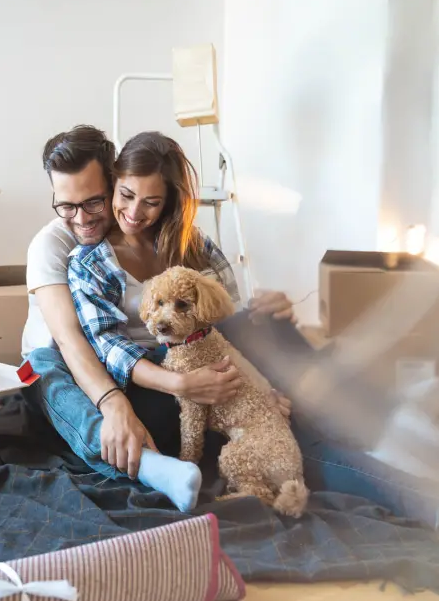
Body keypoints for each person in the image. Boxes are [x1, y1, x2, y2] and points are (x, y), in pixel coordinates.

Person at [20, 125, 294, 511]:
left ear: (111, 181)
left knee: (272, 332)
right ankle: (150, 468)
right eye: (66, 205)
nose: (80, 218)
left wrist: (258, 376)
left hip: (160, 356)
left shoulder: (170, 235)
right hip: (64, 359)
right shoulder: (57, 246)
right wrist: (116, 404)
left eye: (94, 202)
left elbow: (224, 318)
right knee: (46, 368)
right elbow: (74, 340)